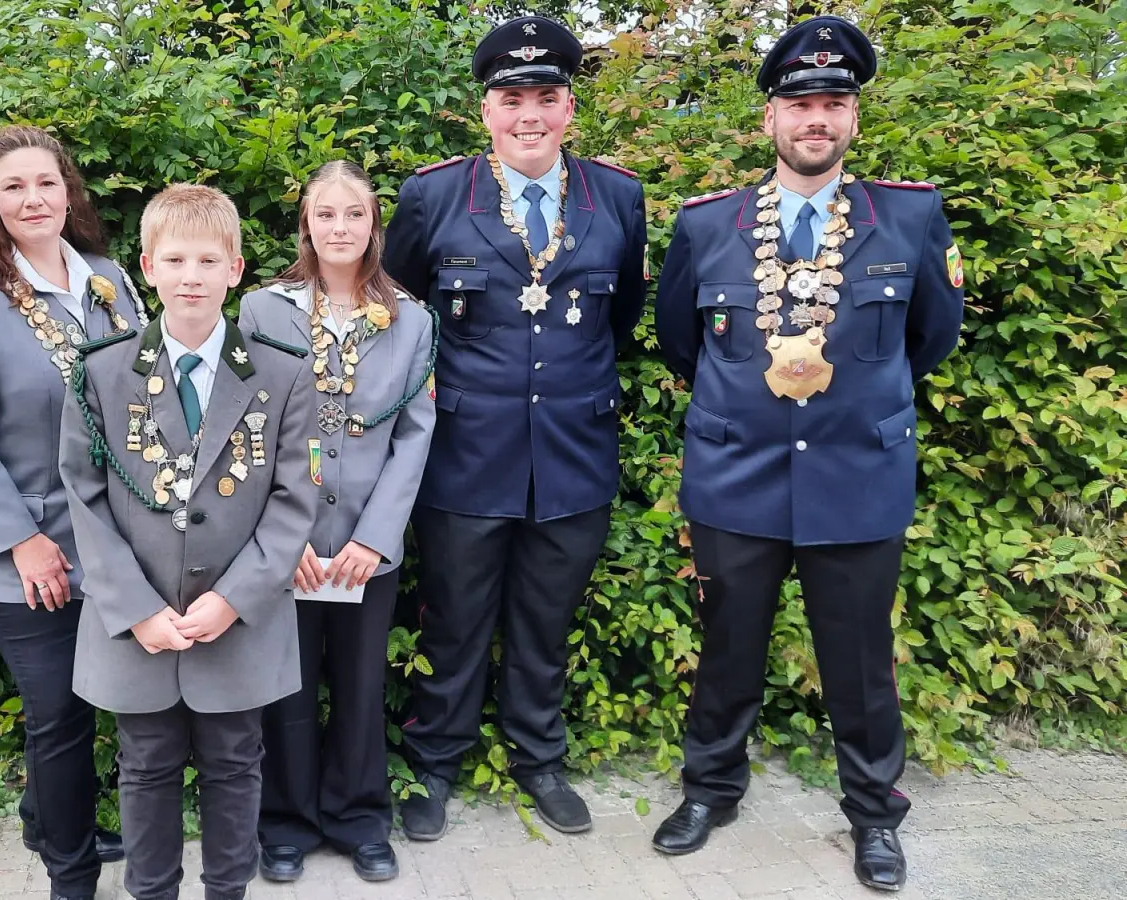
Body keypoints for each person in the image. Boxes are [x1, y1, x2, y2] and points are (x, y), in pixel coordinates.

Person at [650, 16, 965, 893]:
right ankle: (710, 791)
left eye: (832, 103)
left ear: (853, 119)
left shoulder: (908, 217)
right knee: (728, 648)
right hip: (736, 474)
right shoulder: (708, 224)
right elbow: (684, 340)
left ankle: (873, 816)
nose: (814, 119)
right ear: (770, 122)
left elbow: (930, 337)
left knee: (860, 663)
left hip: (857, 479)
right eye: (799, 105)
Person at [381, 14, 649, 839]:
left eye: (545, 95)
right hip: (465, 455)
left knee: (545, 622)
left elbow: (625, 316)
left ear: (570, 107)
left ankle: (539, 760)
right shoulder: (434, 195)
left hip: (573, 452)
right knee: (454, 620)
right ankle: (433, 767)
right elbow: (394, 312)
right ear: (485, 109)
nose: (528, 113)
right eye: (510, 97)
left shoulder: (618, 196)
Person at [58, 183, 317, 900]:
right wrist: (134, 606)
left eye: (209, 260)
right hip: (137, 623)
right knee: (143, 768)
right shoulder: (102, 372)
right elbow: (81, 492)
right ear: (146, 266)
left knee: (237, 764)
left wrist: (234, 599)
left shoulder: (284, 372)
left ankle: (227, 892)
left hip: (238, 622)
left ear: (237, 269)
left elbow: (298, 497)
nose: (191, 276)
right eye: (175, 259)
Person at [0, 125, 143, 900]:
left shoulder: (107, 278)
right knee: (59, 710)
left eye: (45, 182)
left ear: (68, 190)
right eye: (12, 187)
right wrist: (20, 541)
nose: (32, 199)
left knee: (99, 698)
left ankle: (52, 819)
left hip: (111, 539)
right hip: (26, 545)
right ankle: (71, 874)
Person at [237, 162, 438, 884]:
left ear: (374, 225)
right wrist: (277, 539)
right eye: (326, 214)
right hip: (285, 545)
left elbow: (415, 432)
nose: (340, 228)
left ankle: (360, 817)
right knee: (285, 686)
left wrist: (375, 537)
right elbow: (250, 429)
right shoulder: (265, 311)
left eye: (355, 214)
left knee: (358, 685)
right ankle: (286, 822)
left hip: (363, 548)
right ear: (306, 224)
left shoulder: (411, 319)